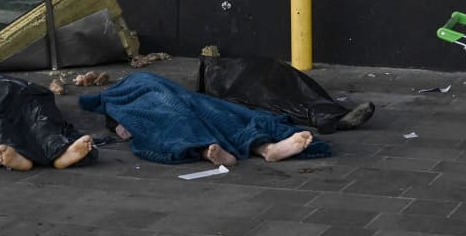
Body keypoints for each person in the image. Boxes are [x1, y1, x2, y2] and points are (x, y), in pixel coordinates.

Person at [79, 71, 331, 167]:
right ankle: (219, 151)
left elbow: (168, 91)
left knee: (213, 114)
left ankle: (266, 148)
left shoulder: (136, 81)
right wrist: (125, 124)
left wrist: (124, 125)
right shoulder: (114, 98)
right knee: (173, 120)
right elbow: (126, 118)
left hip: (173, 96)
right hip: (157, 103)